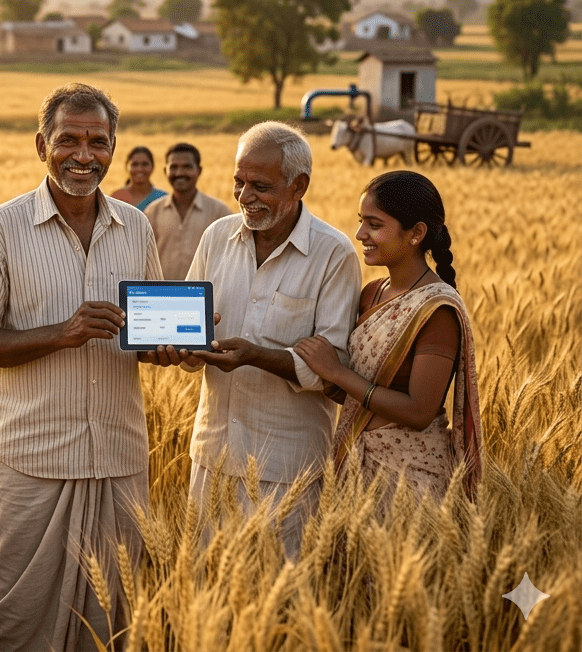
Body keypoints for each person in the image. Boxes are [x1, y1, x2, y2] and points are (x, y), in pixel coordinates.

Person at [0, 83, 164, 651]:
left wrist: (176, 349)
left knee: (113, 619)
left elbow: (146, 333)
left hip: (119, 455)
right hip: (34, 459)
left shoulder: (136, 227)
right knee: (21, 618)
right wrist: (62, 333)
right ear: (41, 144)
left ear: (113, 147)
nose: (83, 155)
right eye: (68, 139)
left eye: (98, 142)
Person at [145, 121, 361, 558]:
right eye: (238, 182)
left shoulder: (333, 254)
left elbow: (334, 368)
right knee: (207, 582)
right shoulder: (216, 237)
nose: (244, 197)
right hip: (212, 455)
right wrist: (179, 350)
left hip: (288, 466)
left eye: (260, 187)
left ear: (299, 186)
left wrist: (255, 356)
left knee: (282, 587)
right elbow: (192, 329)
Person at [293, 171, 481, 504]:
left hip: (409, 478)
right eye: (360, 221)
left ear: (416, 233)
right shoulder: (371, 294)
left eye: (374, 225)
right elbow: (359, 392)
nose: (360, 234)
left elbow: (419, 412)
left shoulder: (436, 310)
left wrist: (336, 372)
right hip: (355, 465)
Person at [145, 142, 233, 280]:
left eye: (187, 167)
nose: (180, 173)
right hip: (162, 291)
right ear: (165, 170)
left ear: (199, 171)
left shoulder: (219, 212)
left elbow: (231, 257)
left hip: (204, 292)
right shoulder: (153, 211)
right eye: (174, 167)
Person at [109, 146, 166, 210]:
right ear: (126, 167)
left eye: (145, 164)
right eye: (135, 164)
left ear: (152, 167)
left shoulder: (162, 198)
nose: (140, 169)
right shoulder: (116, 198)